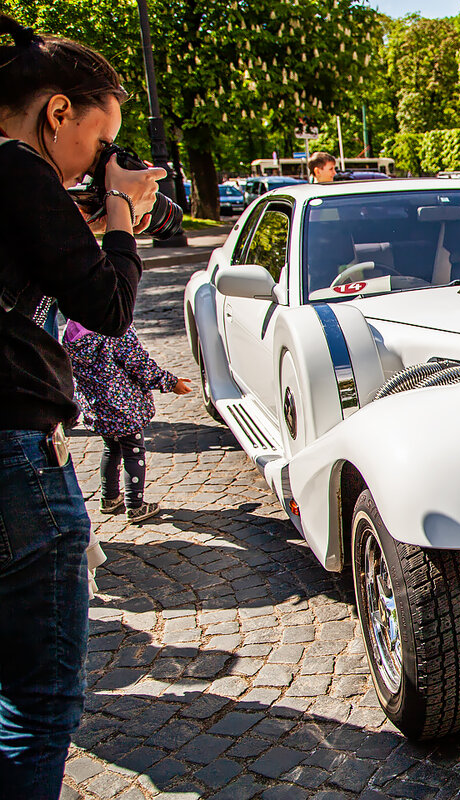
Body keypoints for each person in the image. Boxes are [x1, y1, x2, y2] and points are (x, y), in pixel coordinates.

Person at [0, 15, 163, 798]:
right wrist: (123, 212)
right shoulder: (17, 169)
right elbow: (107, 306)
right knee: (38, 701)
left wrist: (92, 217)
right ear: (58, 112)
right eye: (102, 146)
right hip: (15, 451)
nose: (101, 164)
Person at [62, 321, 191, 523]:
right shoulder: (113, 326)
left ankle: (109, 498)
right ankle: (135, 506)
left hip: (99, 406)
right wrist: (171, 382)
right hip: (124, 406)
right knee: (134, 451)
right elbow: (138, 363)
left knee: (111, 448)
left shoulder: (71, 331)